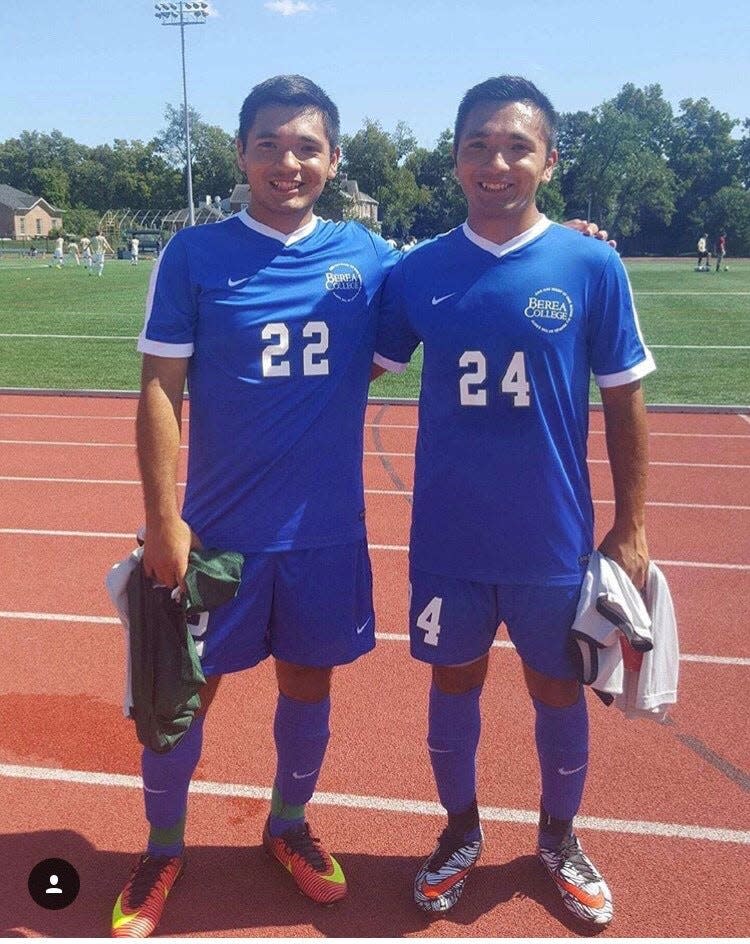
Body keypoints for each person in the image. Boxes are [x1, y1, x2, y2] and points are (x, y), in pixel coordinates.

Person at [112, 74, 401, 939]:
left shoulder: (371, 258)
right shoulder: (196, 255)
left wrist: (566, 239)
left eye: (307, 145)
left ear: (335, 159)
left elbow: (462, 286)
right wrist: (164, 518)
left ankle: (286, 827)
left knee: (307, 685)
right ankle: (165, 845)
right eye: (269, 143)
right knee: (182, 700)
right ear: (240, 153)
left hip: (322, 535)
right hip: (219, 534)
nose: (288, 161)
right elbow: (160, 388)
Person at [373, 75, 655, 928]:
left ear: (548, 159)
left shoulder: (589, 263)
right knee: (452, 686)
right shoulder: (416, 271)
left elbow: (626, 398)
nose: (496, 162)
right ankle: (460, 833)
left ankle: (558, 839)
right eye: (477, 146)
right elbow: (354, 375)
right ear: (454, 157)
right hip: (449, 541)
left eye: (516, 146)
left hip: (552, 544)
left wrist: (633, 525)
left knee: (557, 693)